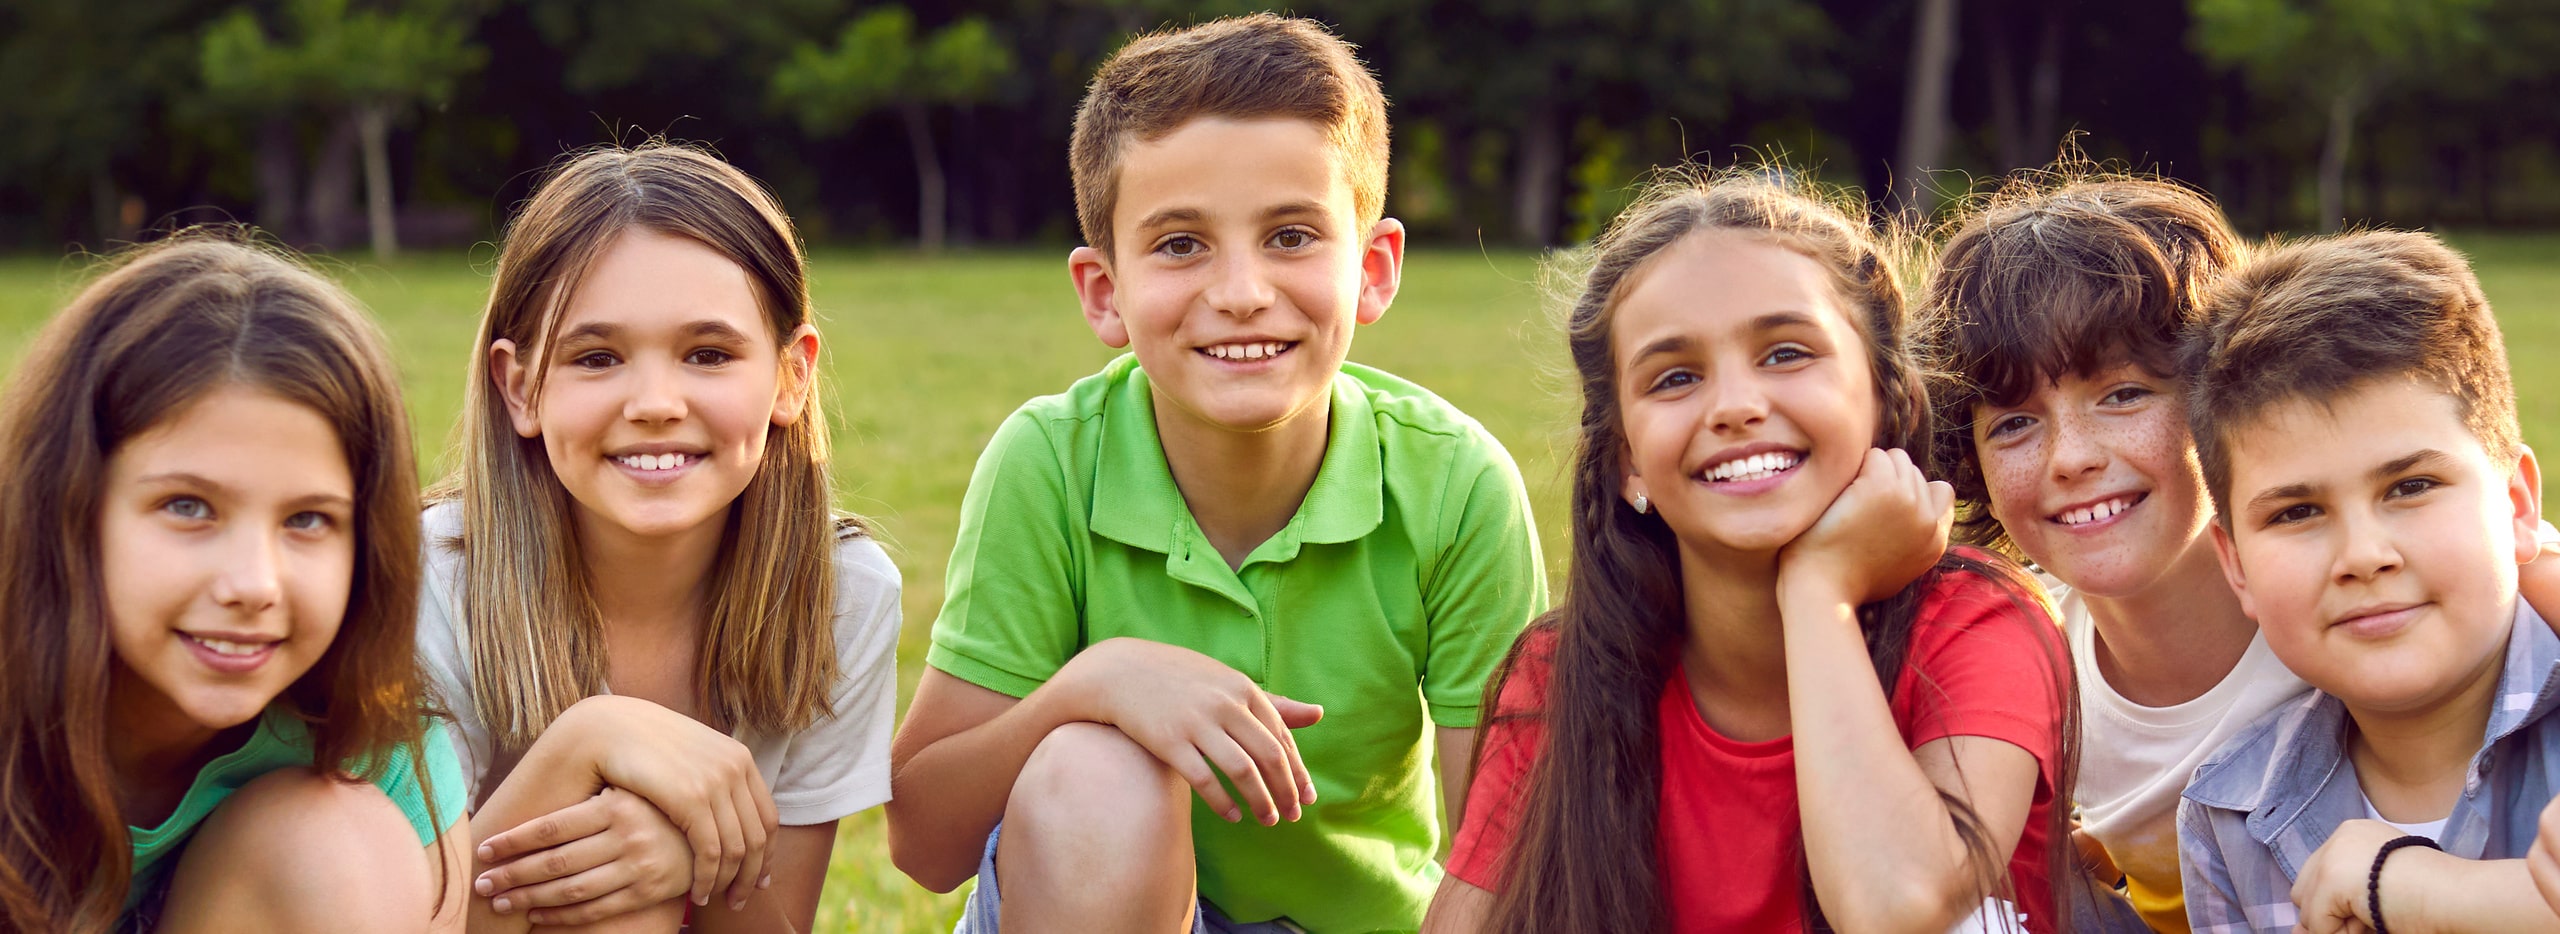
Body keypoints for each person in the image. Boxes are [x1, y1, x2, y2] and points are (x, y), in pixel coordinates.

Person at [885, 14, 1546, 933]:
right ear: (1104, 292)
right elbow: (923, 840)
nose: (1240, 292)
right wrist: (1095, 684)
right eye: (1180, 244)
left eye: (1291, 236)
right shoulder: (1049, 462)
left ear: (1374, 269)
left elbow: (1510, 847)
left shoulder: (1455, 481)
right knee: (1091, 770)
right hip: (1091, 898)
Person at [1425, 171, 2074, 933]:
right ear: (1627, 461)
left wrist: (1819, 591)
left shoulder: (1977, 625)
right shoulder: (1564, 675)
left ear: (1887, 400)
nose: (1735, 405)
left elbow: (1899, 908)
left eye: (1787, 353)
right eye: (1675, 377)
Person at [416, 143, 900, 932]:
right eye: (597, 358)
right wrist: (584, 745)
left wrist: (689, 868)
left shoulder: (844, 594)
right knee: (613, 886)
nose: (654, 402)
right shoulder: (433, 580)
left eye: (707, 354)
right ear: (520, 386)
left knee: (629, 879)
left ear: (790, 376)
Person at [0, 233, 469, 933]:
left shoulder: (368, 742)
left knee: (333, 841)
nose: (254, 585)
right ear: (69, 507)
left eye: (308, 519)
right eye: (188, 507)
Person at [2176, 230, 2560, 932]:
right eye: (2297, 512)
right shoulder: (2229, 819)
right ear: (2236, 566)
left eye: (2411, 486)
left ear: (2516, 506)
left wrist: (2409, 889)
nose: (2363, 554)